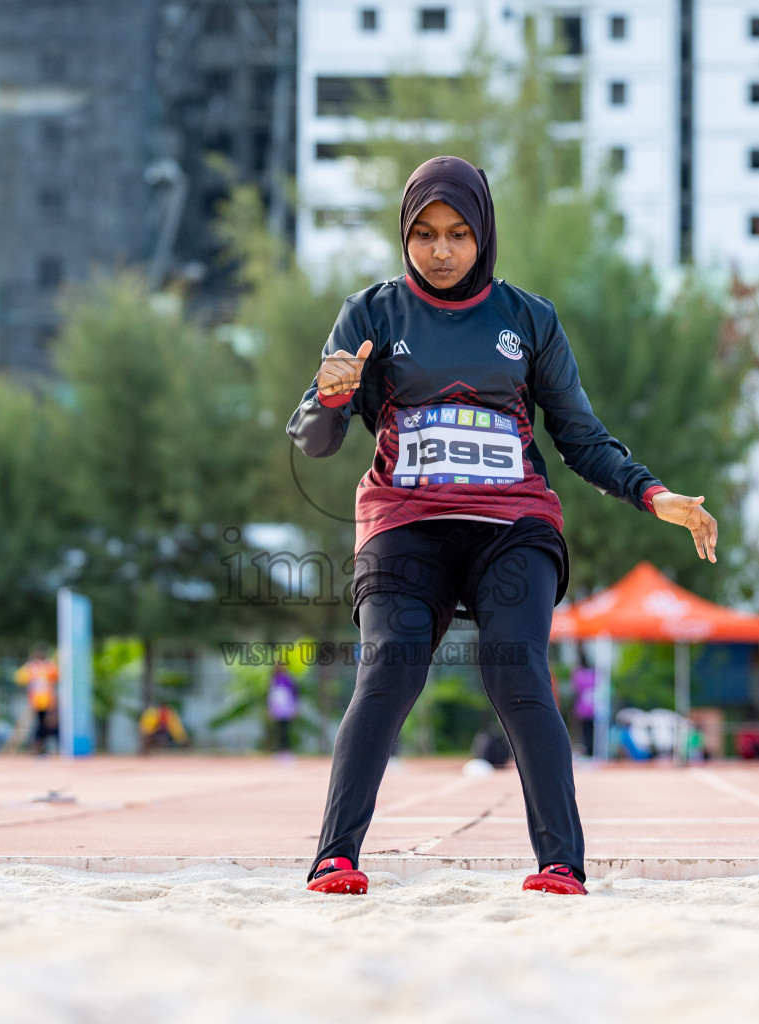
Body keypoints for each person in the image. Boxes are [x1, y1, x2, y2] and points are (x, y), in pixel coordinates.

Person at [287, 156, 718, 897]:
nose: (442, 250)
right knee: (389, 664)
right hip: (404, 523)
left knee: (514, 663)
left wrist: (655, 496)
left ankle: (559, 862)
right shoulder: (371, 315)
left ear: (483, 234)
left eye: (458, 233)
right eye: (424, 235)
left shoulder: (528, 319)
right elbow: (315, 440)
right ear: (404, 235)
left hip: (512, 525)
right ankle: (336, 856)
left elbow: (579, 437)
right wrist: (329, 400)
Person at [15, 647, 59, 754]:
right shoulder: (33, 667)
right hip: (37, 702)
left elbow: (56, 678)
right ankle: (38, 746)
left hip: (47, 702)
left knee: (45, 725)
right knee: (41, 725)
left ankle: (40, 746)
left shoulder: (48, 666)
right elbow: (20, 678)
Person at [267, 662, 299, 754]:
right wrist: (271, 709)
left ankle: (286, 751)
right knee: (279, 730)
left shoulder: (289, 680)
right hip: (278, 709)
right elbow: (272, 696)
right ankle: (279, 750)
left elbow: (294, 695)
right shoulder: (274, 680)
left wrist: (294, 708)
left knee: (286, 730)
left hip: (287, 708)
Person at [572, 650, 597, 756]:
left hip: (583, 708)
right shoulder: (595, 674)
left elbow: (575, 690)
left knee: (584, 732)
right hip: (593, 708)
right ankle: (591, 751)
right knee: (592, 732)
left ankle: (587, 751)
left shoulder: (578, 674)